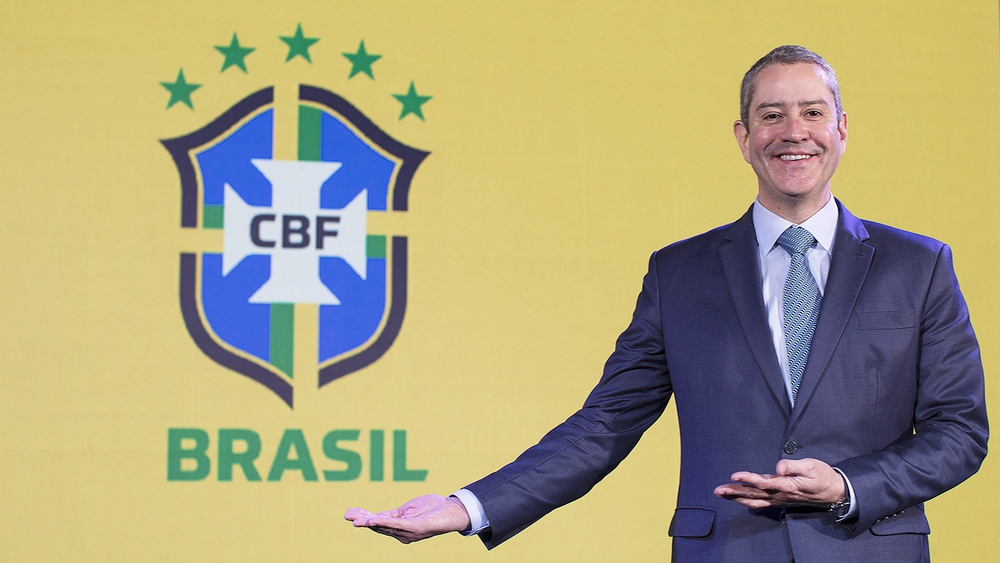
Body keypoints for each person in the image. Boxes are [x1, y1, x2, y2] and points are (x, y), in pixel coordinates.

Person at [345, 45, 988, 561]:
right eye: (771, 115)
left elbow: (959, 432)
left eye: (813, 113)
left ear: (842, 130)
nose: (794, 132)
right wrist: (467, 506)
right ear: (743, 137)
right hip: (726, 550)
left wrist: (848, 485)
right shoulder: (678, 274)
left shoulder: (919, 266)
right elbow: (605, 423)